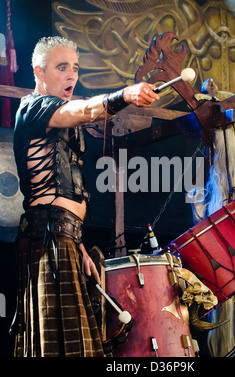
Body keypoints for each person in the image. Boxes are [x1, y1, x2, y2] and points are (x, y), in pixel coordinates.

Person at [12, 36, 159, 357]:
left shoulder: (61, 121)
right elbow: (87, 108)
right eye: (61, 67)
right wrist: (125, 95)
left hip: (64, 236)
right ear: (39, 72)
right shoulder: (34, 107)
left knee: (76, 344)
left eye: (75, 69)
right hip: (47, 238)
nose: (71, 75)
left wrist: (77, 244)